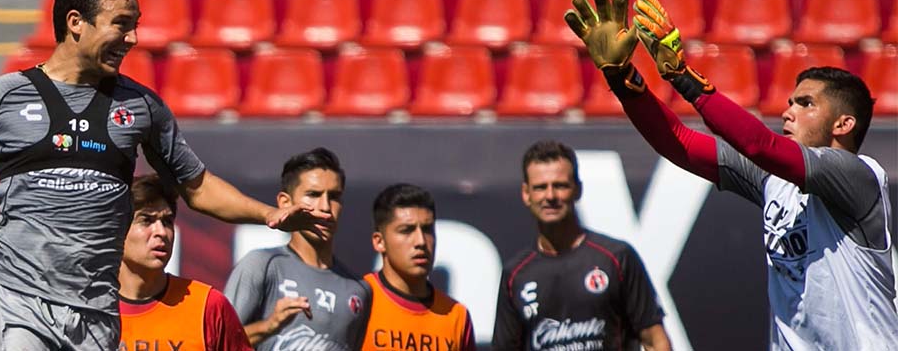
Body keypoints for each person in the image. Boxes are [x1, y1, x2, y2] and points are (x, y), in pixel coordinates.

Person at [0, 0, 330, 350]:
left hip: (97, 312)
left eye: (134, 26)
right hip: (20, 302)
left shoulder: (142, 108)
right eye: (120, 25)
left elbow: (198, 187)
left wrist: (269, 214)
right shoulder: (5, 97)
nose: (131, 39)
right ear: (75, 23)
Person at [564, 0, 898, 349]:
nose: (788, 112)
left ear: (843, 124)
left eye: (806, 104)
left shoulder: (858, 176)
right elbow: (679, 142)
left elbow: (759, 145)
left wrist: (682, 76)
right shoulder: (775, 183)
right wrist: (623, 79)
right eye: (790, 102)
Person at [492, 140, 672, 351]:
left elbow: (654, 340)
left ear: (577, 190)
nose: (550, 196)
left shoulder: (617, 257)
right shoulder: (515, 274)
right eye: (540, 187)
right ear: (526, 194)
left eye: (560, 186)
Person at [224, 147, 372, 351]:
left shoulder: (359, 289)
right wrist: (269, 326)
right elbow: (217, 341)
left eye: (334, 197)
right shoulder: (262, 265)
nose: (326, 207)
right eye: (313, 194)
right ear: (285, 203)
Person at [118, 174, 252, 351]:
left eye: (167, 222)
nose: (162, 232)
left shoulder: (208, 306)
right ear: (116, 229)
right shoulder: (82, 308)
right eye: (146, 220)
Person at [363, 183, 477, 351]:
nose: (421, 242)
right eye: (406, 230)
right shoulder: (357, 301)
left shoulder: (456, 316)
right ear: (379, 242)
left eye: (427, 229)